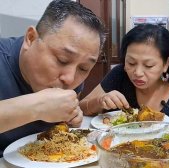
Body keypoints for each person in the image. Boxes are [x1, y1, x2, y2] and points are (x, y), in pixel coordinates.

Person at [0, 0, 106, 156]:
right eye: (62, 59)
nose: (70, 79)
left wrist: (72, 119)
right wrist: (37, 106)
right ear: (30, 38)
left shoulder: (72, 81)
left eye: (83, 68)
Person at [80, 24, 169, 119]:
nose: (138, 73)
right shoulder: (119, 75)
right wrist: (99, 101)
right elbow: (81, 108)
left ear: (166, 64)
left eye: (148, 65)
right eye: (131, 63)